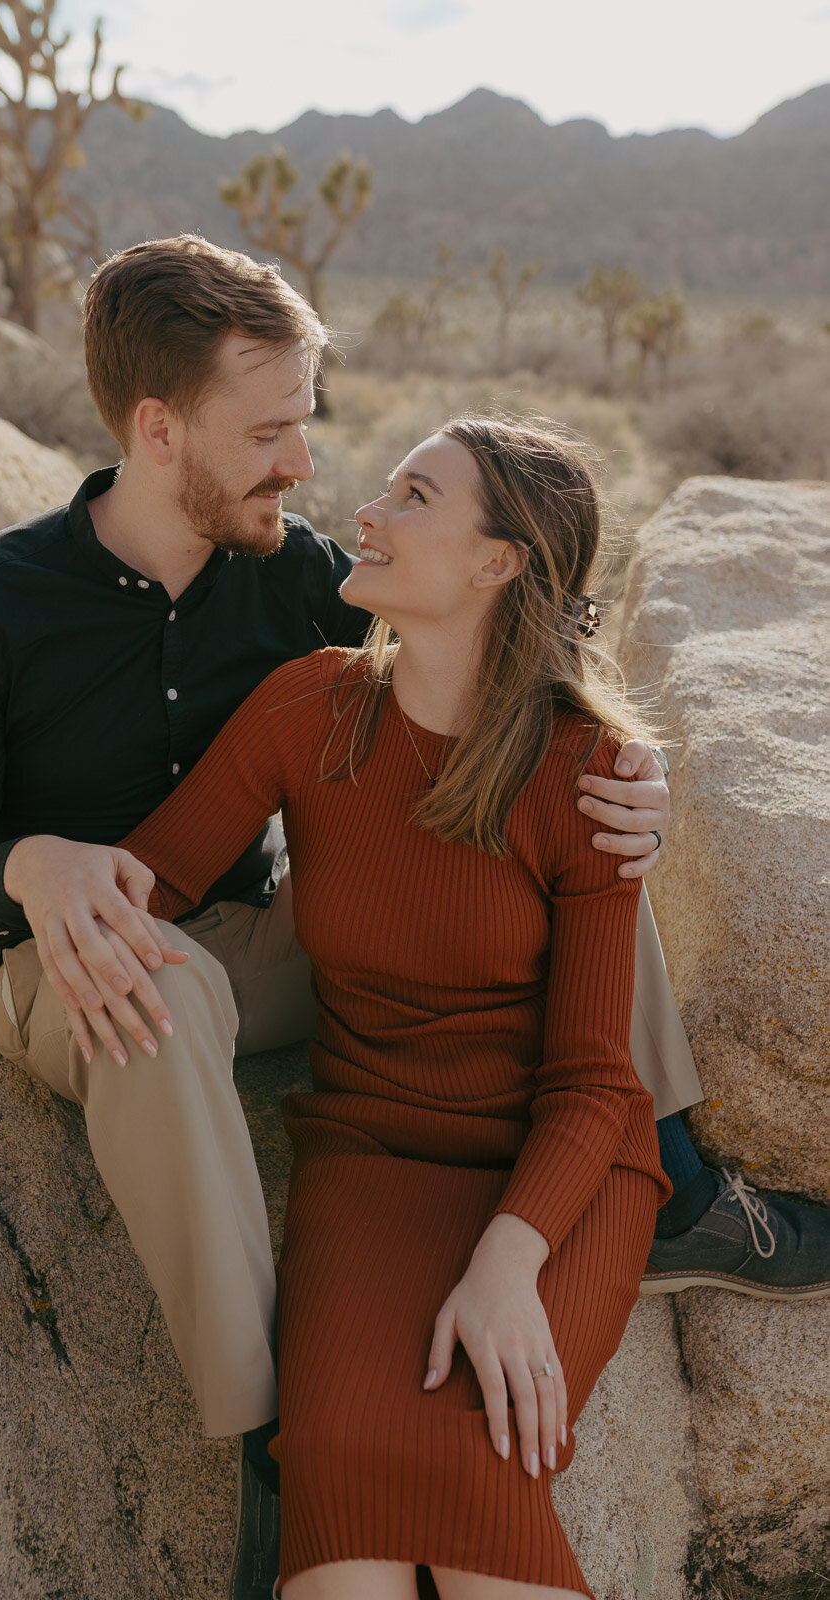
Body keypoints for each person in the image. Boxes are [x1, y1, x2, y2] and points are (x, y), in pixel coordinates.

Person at [0, 236, 830, 1600]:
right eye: (269, 432)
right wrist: (35, 866)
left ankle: (669, 1173)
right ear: (159, 430)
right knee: (161, 981)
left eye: (306, 425)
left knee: (568, 836)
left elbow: (499, 634)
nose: (304, 464)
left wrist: (632, 767)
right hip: (82, 951)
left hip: (259, 941)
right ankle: (272, 1437)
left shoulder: (296, 573)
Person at [115, 410, 669, 1596]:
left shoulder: (589, 774)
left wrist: (506, 1266)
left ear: (495, 562)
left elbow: (591, 1080)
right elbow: (142, 885)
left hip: (551, 1172)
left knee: (475, 1464)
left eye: (413, 495)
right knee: (336, 1468)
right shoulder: (305, 709)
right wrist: (36, 867)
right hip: (365, 1154)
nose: (366, 508)